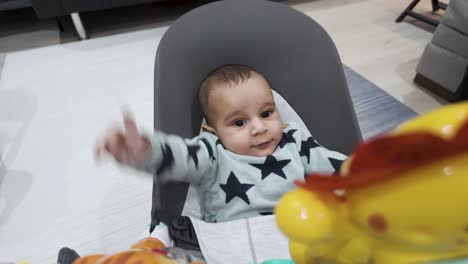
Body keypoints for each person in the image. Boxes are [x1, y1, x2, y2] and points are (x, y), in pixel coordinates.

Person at [96, 64, 347, 223]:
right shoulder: (212, 154)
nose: (259, 128)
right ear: (212, 129)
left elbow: (336, 167)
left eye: (267, 113)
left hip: (299, 237)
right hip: (235, 248)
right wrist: (146, 151)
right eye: (239, 123)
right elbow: (180, 156)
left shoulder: (296, 141)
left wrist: (376, 171)